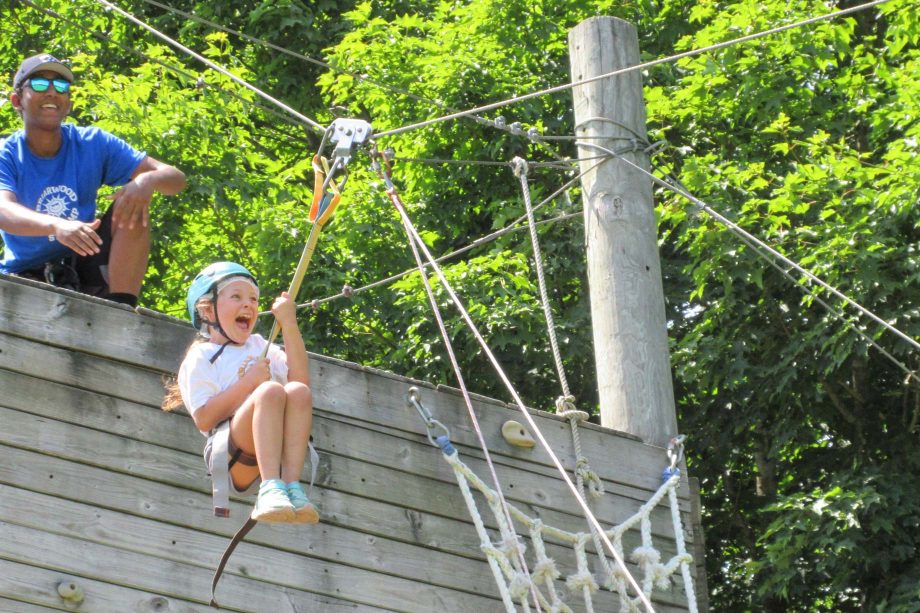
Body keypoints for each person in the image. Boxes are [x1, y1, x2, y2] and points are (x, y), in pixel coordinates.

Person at [0, 53, 187, 307]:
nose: (53, 92)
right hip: (25, 273)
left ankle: (122, 310)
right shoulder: (7, 154)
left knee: (131, 202)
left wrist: (147, 182)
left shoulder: (92, 142)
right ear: (17, 100)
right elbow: (3, 210)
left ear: (68, 102)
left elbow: (176, 179)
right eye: (40, 84)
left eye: (62, 86)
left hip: (84, 260)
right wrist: (57, 226)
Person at [166, 261, 319, 524]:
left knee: (298, 391)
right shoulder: (201, 357)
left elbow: (301, 382)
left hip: (270, 447)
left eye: (253, 299)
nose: (248, 304)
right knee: (270, 390)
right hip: (230, 452)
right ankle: (270, 486)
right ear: (207, 310)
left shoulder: (261, 345)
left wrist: (289, 323)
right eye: (236, 297)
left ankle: (291, 486)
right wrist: (249, 383)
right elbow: (204, 418)